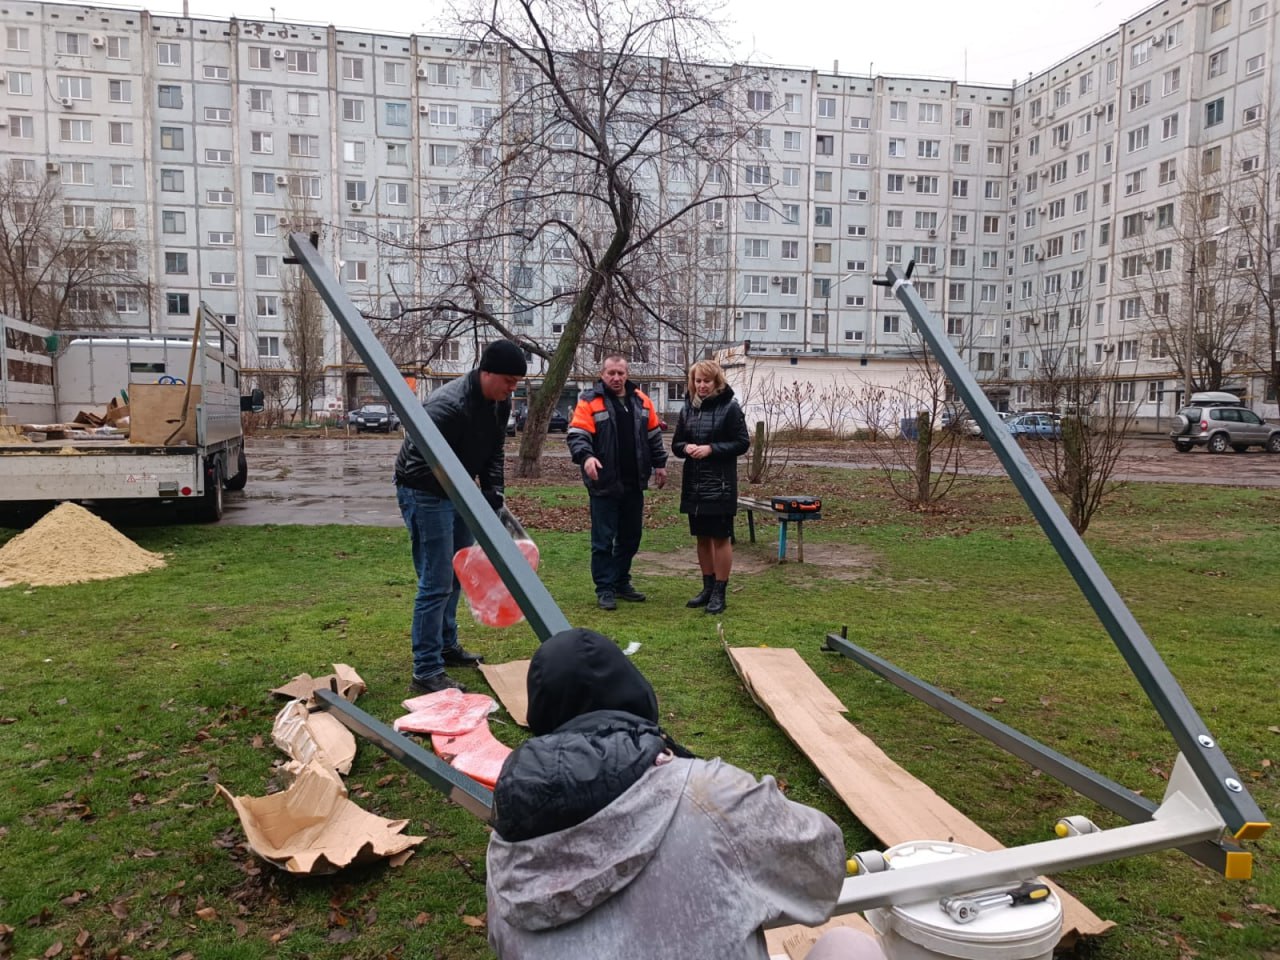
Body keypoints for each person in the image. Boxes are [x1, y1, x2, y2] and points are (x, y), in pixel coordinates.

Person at [486, 628, 874, 960]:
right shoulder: (709, 796)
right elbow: (823, 866)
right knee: (850, 946)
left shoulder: (509, 840)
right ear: (636, 693)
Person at [393, 339, 526, 695]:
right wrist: (461, 490)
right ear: (487, 373)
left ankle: (446, 645)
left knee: (458, 570)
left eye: (516, 383)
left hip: (458, 491)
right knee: (435, 580)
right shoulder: (446, 406)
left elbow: (494, 448)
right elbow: (419, 464)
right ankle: (426, 669)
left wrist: (493, 489)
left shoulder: (499, 402)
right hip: (423, 490)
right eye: (509, 381)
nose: (513, 389)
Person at [566, 354, 668, 611]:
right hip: (604, 483)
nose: (616, 377)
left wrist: (661, 464)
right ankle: (605, 588)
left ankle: (621, 581)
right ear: (602, 374)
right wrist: (586, 457)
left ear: (627, 374)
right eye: (611, 373)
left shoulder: (642, 401)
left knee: (631, 537)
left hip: (634, 482)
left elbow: (654, 436)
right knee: (603, 541)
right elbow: (578, 435)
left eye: (621, 373)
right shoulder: (589, 401)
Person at [671, 360, 750, 615]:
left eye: (707, 381)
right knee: (702, 538)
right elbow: (676, 444)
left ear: (717, 382)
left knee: (720, 538)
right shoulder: (687, 410)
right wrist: (686, 448)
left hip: (720, 485)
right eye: (697, 381)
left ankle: (720, 591)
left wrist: (711, 449)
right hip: (694, 484)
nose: (702, 385)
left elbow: (742, 443)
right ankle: (706, 587)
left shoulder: (730, 408)